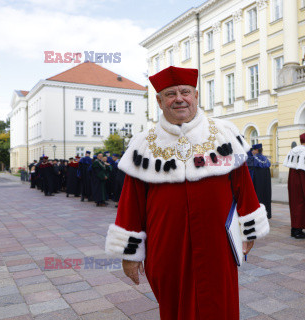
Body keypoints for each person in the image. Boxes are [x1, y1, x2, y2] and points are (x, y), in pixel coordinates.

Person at [104, 66, 269, 320]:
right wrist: (130, 254)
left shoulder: (224, 133)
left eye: (185, 92)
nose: (179, 98)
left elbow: (243, 185)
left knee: (219, 304)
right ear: (159, 101)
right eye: (170, 94)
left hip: (218, 244)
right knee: (173, 306)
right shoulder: (143, 144)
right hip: (166, 247)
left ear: (196, 96)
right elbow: (130, 203)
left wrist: (250, 230)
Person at [247, 144, 272, 219]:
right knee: (265, 198)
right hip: (266, 186)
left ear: (256, 150)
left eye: (253, 150)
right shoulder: (266, 160)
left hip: (256, 186)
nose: (252, 152)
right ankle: (267, 214)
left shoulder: (251, 160)